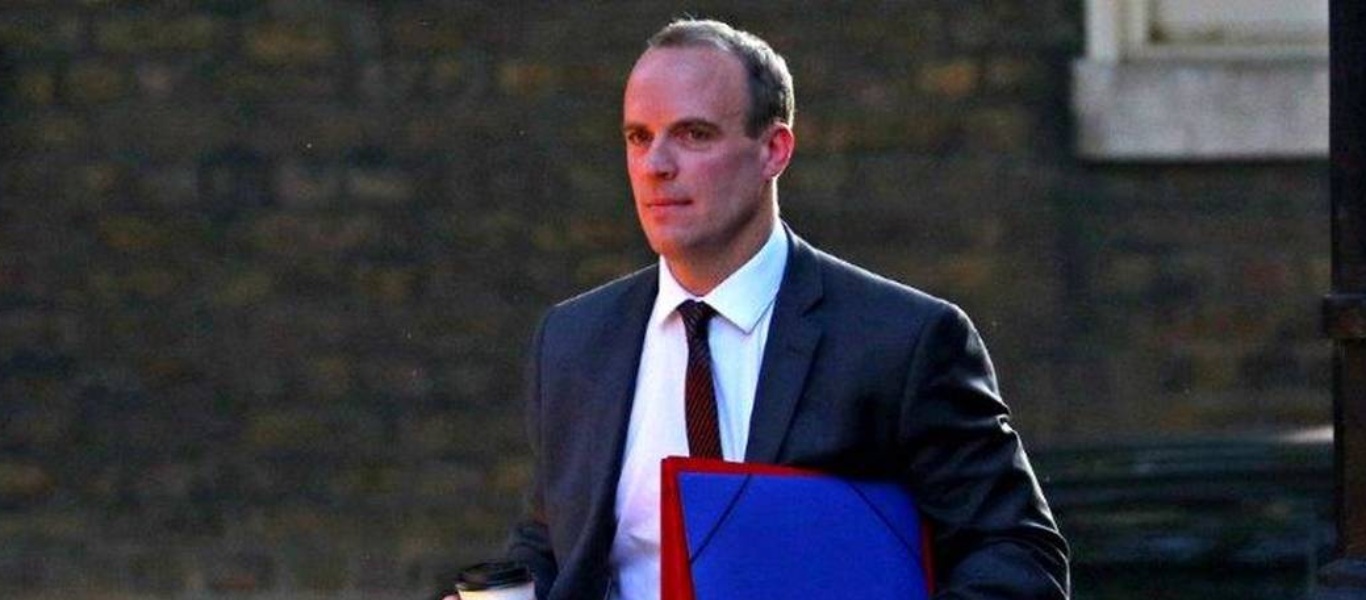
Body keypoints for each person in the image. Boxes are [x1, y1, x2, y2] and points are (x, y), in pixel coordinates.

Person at [457, 17, 1070, 600]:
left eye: (693, 135)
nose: (656, 165)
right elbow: (552, 544)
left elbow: (1018, 555)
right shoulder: (574, 340)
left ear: (774, 150)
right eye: (639, 137)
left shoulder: (902, 342)